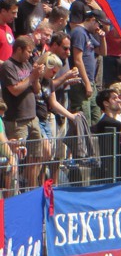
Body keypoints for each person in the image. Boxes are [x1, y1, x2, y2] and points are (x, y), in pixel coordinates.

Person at [0, 36, 45, 189]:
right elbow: (15, 90)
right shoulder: (8, 66)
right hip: (17, 120)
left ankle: (31, 190)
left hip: (32, 117)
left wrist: (36, 77)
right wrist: (32, 77)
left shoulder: (27, 63)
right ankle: (13, 193)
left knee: (38, 156)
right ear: (19, 49)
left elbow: (37, 90)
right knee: (14, 159)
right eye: (28, 51)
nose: (30, 55)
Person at [35, 52, 78, 184]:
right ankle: (33, 181)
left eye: (56, 72)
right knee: (45, 152)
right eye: (52, 71)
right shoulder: (35, 80)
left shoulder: (49, 82)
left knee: (49, 154)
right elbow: (36, 90)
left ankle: (42, 184)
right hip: (36, 119)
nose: (54, 74)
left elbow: (54, 103)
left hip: (46, 119)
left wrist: (71, 115)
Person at [68, 9, 107, 125]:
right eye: (99, 25)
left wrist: (103, 38)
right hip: (81, 83)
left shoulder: (89, 34)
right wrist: (87, 83)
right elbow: (77, 59)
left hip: (91, 81)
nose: (99, 29)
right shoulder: (79, 32)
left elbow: (103, 52)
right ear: (92, 20)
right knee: (85, 116)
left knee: (96, 116)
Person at [0, 0, 17, 65]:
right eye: (13, 13)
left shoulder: (8, 28)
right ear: (3, 11)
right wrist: (6, 66)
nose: (16, 16)